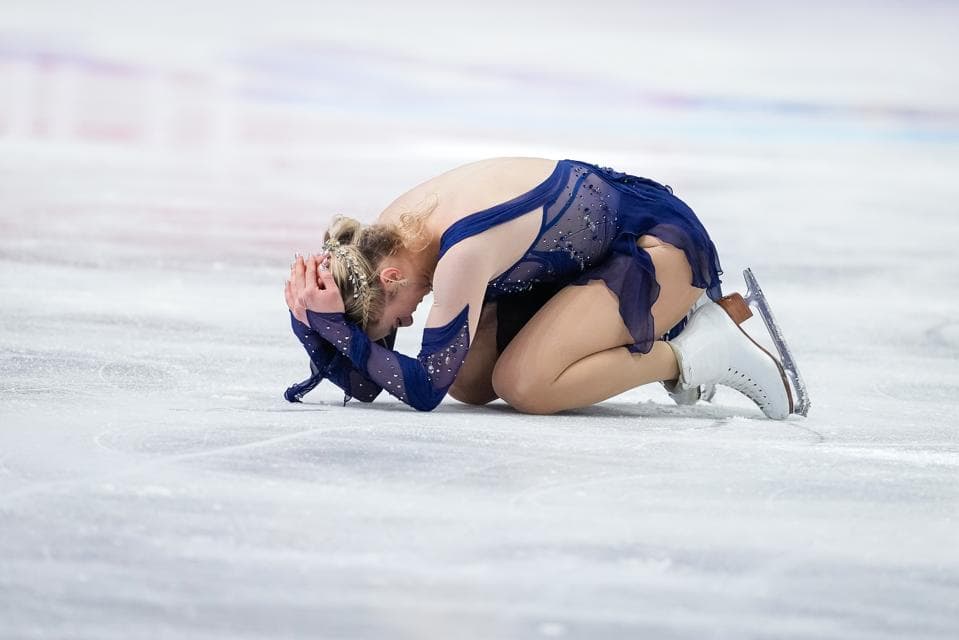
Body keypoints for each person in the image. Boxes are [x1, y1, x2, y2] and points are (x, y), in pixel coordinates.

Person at [283, 157, 808, 418]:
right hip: (575, 258)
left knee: (527, 384)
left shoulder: (459, 256)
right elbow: (376, 383)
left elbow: (421, 391)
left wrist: (328, 324)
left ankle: (697, 351)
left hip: (654, 247)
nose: (405, 321)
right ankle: (656, 329)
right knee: (469, 379)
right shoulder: (385, 240)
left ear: (388, 279)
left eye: (394, 320)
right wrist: (309, 321)